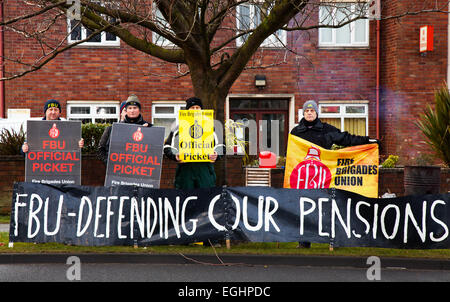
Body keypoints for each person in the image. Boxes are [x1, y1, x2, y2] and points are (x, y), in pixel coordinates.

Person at [290, 100, 380, 248]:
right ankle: (303, 242)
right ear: (303, 113)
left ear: (317, 113)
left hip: (324, 177)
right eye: (307, 111)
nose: (310, 113)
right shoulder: (295, 133)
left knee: (327, 210)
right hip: (304, 180)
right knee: (304, 210)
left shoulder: (326, 129)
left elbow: (346, 139)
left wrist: (367, 141)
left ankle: (334, 241)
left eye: (312, 111)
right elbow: (292, 154)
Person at [164, 97, 225, 189]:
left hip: (205, 170)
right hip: (185, 171)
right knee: (184, 199)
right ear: (187, 110)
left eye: (197, 107)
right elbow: (167, 146)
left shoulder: (211, 126)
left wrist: (216, 154)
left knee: (205, 199)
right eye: (192, 108)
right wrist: (175, 155)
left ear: (201, 109)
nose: (195, 110)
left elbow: (222, 145)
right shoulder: (178, 127)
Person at [98, 94, 152, 165]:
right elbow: (102, 149)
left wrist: (147, 133)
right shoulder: (113, 129)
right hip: (118, 171)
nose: (132, 111)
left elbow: (153, 151)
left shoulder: (149, 128)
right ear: (126, 110)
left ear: (139, 110)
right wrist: (109, 163)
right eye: (130, 108)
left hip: (140, 171)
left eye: (135, 108)